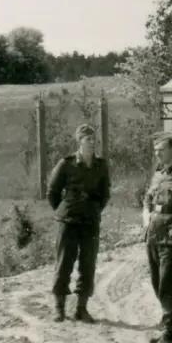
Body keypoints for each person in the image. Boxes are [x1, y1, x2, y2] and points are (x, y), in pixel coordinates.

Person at [47, 124, 111, 324]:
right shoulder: (66, 164)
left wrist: (93, 210)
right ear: (79, 141)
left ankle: (81, 308)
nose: (92, 143)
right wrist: (65, 209)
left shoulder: (101, 166)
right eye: (87, 139)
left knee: (88, 263)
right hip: (68, 220)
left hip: (90, 221)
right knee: (64, 262)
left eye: (94, 140)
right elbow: (52, 192)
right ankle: (59, 308)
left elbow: (104, 194)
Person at [142, 132, 172, 343]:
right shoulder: (158, 174)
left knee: (168, 285)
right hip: (153, 234)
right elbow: (148, 199)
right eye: (155, 151)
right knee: (156, 282)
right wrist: (145, 215)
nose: (157, 154)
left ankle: (171, 335)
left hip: (171, 239)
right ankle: (171, 328)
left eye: (161, 150)